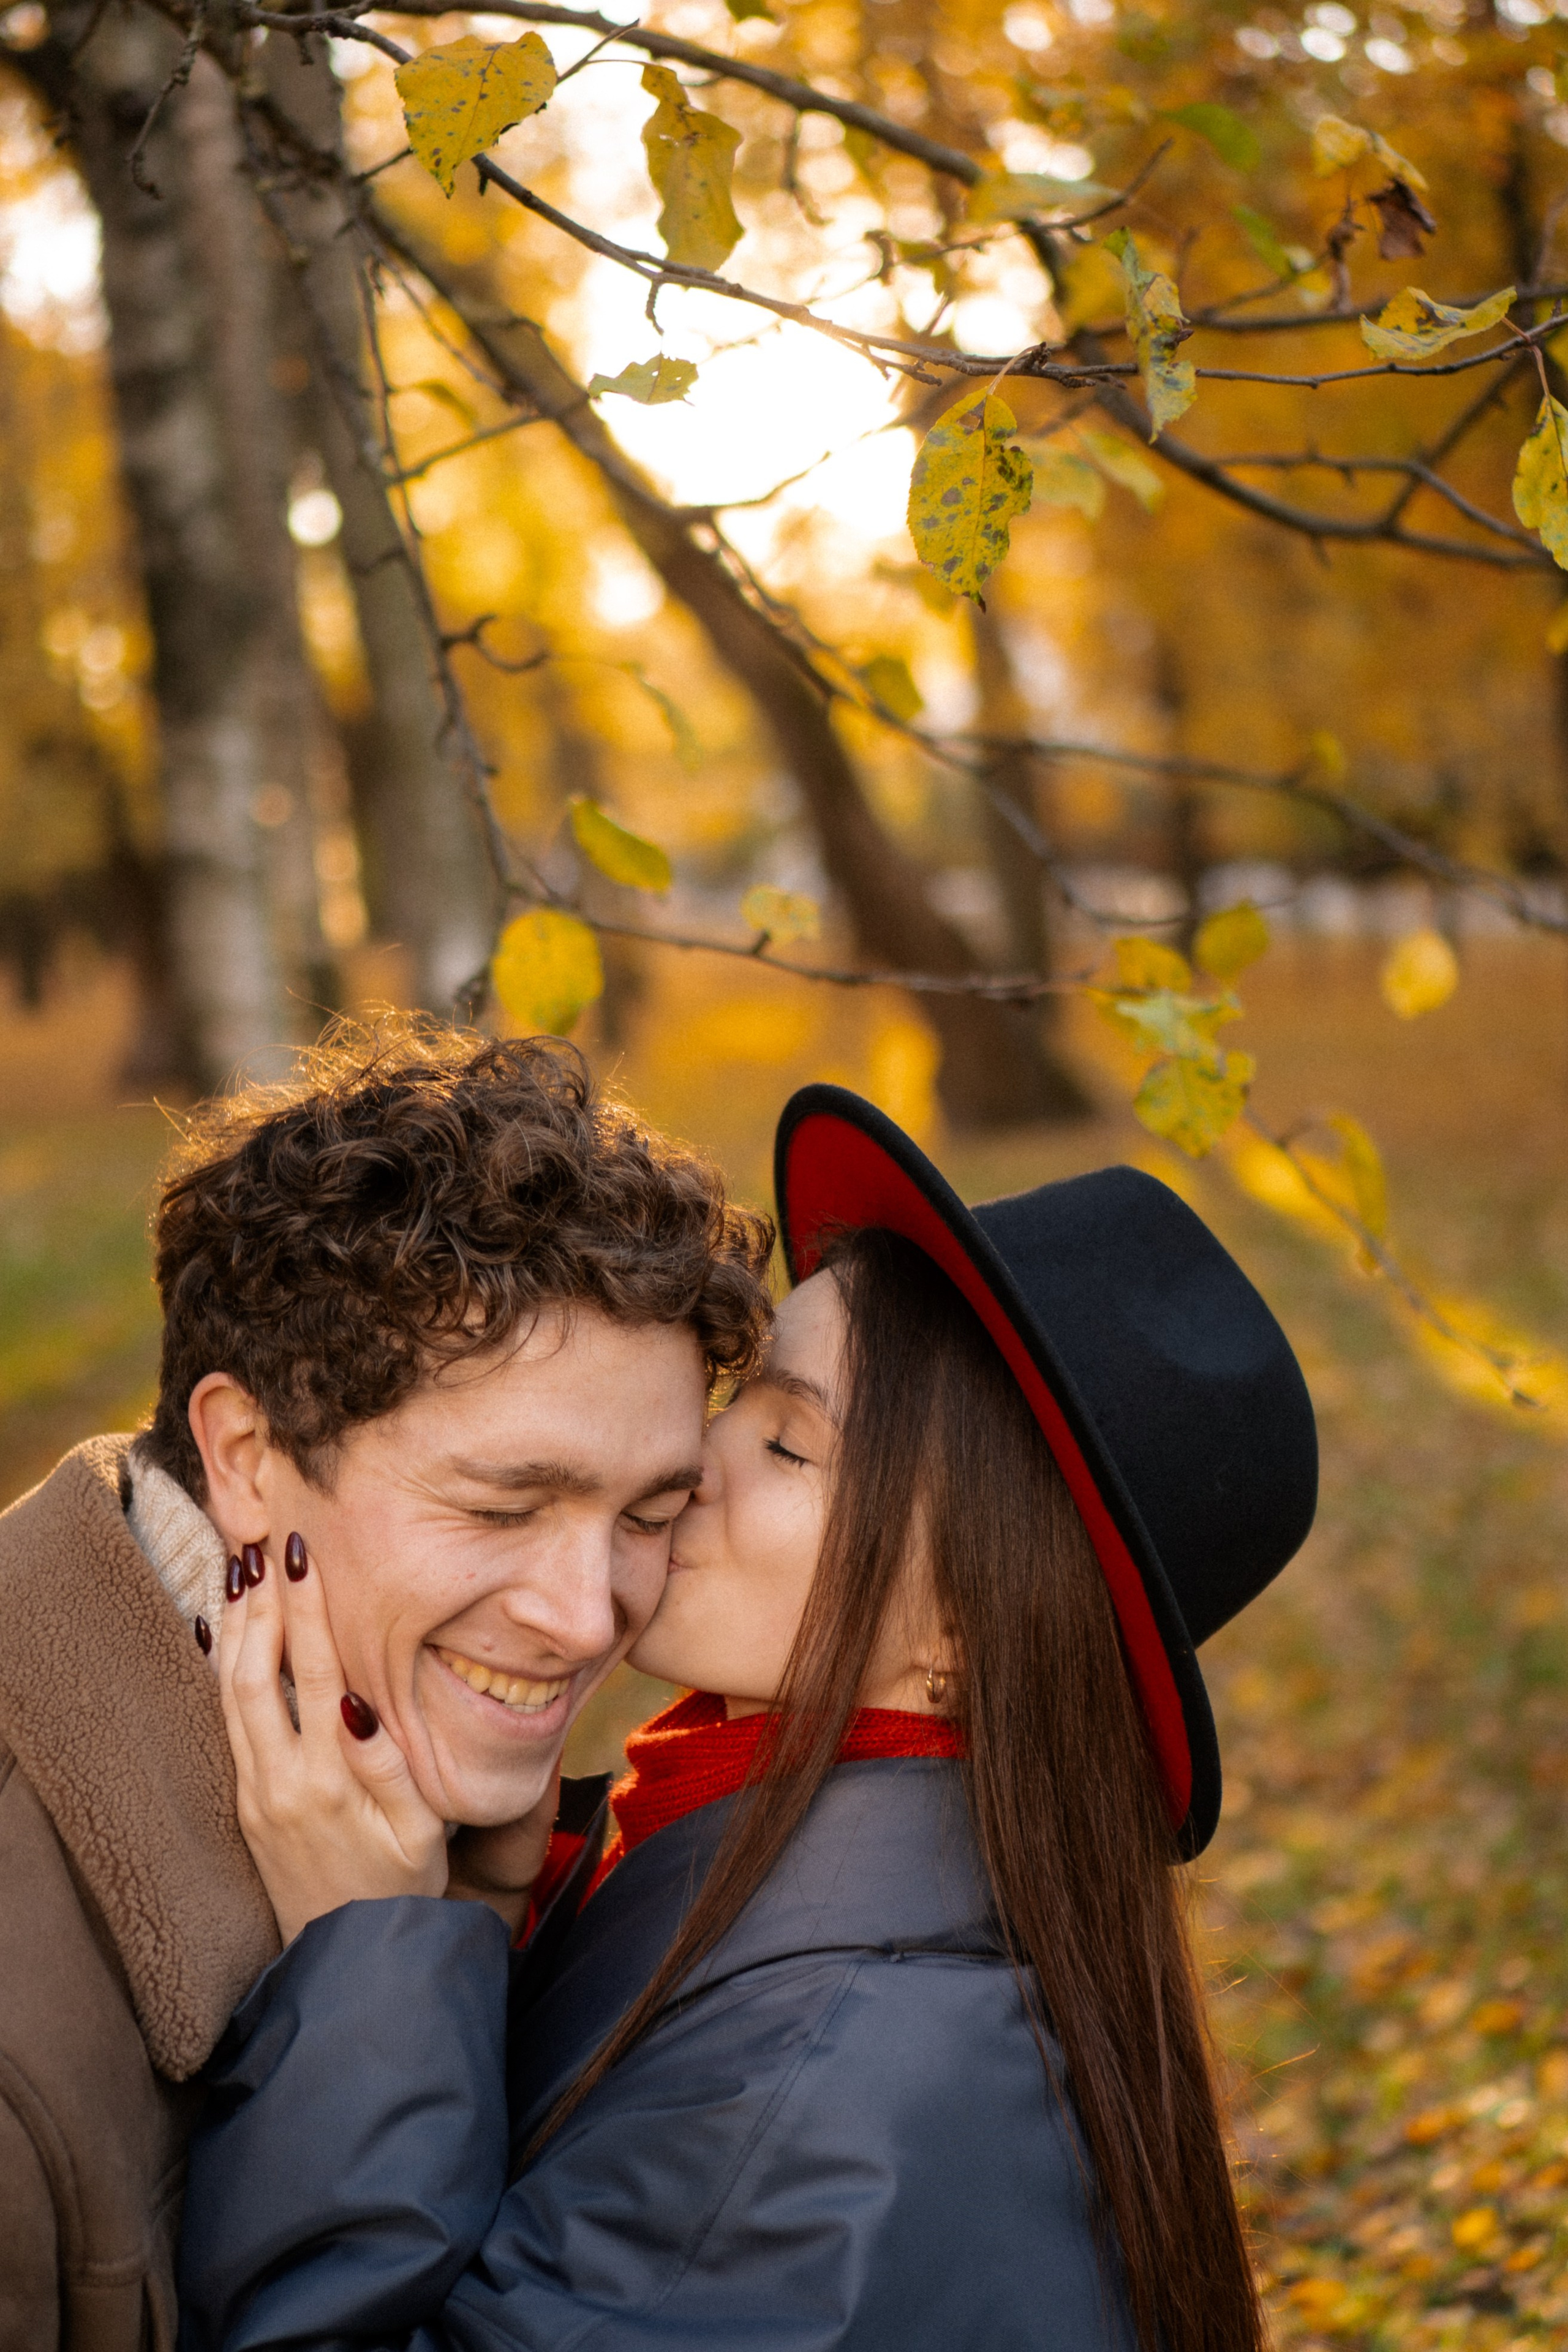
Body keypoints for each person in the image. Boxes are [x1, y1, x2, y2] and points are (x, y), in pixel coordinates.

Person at [178, 1084, 1319, 2352]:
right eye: (742, 1399)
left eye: (786, 1446)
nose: (681, 1466)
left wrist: (364, 1961)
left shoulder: (829, 2082)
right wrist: (497, 1918)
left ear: (963, 1644)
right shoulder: (781, 1876)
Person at [0, 1017, 771, 2352]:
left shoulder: (452, 1820)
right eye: (503, 1504)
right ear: (244, 1456)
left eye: (649, 1513)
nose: (590, 1617)